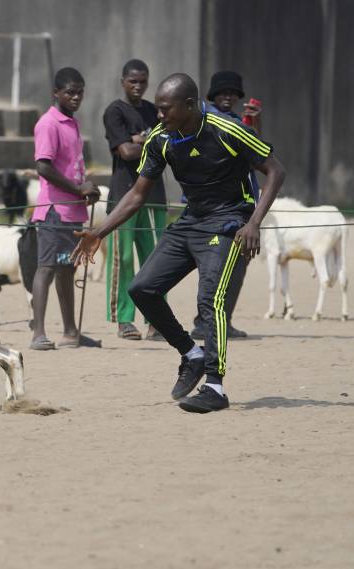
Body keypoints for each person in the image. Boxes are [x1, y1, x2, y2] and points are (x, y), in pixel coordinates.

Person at [72, 73, 285, 413]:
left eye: (164, 109)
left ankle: (215, 387)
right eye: (157, 109)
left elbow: (275, 171)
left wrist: (254, 224)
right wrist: (99, 232)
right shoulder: (161, 138)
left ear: (188, 106)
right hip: (191, 220)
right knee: (142, 288)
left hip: (229, 222)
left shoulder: (226, 129)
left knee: (209, 298)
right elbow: (137, 195)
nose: (158, 116)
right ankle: (191, 354)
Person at [29, 67, 101, 350]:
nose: (76, 97)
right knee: (46, 268)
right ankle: (38, 334)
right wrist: (78, 189)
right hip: (53, 210)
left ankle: (71, 332)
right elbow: (43, 167)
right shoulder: (48, 123)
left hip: (72, 210)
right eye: (70, 92)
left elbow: (71, 168)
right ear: (56, 93)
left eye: (80, 92)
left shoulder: (72, 122)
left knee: (67, 269)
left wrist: (86, 187)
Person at [188, 70, 263, 340]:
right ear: (213, 95)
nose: (228, 96)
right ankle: (203, 322)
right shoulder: (204, 118)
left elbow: (258, 155)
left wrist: (254, 121)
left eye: (233, 92)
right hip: (214, 208)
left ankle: (224, 321)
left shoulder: (236, 122)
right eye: (223, 92)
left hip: (242, 207)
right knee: (215, 267)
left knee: (238, 266)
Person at [101, 59, 167, 341]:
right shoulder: (114, 111)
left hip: (154, 196)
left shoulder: (154, 111)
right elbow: (125, 153)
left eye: (143, 81)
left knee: (158, 260)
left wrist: (139, 140)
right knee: (123, 259)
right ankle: (124, 320)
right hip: (124, 196)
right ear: (123, 81)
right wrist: (148, 141)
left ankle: (156, 320)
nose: (138, 86)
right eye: (133, 81)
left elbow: (166, 145)